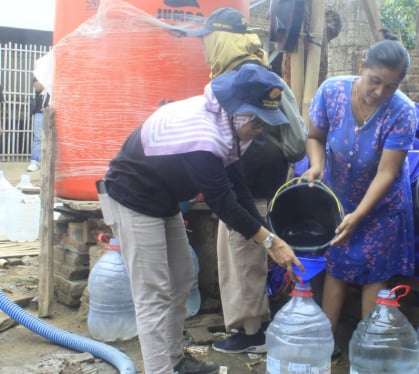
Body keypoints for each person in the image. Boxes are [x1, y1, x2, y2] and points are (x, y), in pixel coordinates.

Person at [102, 64, 304, 374]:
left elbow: (240, 190)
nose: (260, 130)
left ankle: (175, 360)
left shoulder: (231, 128)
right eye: (258, 123)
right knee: (152, 292)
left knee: (181, 278)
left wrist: (270, 236)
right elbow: (223, 202)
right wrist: (269, 242)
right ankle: (160, 370)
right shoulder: (206, 134)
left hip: (163, 197)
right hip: (133, 196)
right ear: (240, 113)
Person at [179, 7, 307, 353]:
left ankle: (253, 333)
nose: (205, 49)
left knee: (244, 259)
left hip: (253, 185)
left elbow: (291, 142)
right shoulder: (255, 72)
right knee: (238, 260)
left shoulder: (247, 78)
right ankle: (247, 327)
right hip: (249, 184)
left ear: (221, 41)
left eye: (209, 40)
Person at [299, 39, 417, 356]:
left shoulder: (402, 112)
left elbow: (387, 172)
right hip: (340, 199)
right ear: (362, 65)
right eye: (374, 80)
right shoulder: (332, 91)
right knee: (337, 268)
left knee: (374, 278)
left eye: (389, 87)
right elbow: (314, 137)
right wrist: (318, 165)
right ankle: (325, 346)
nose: (378, 92)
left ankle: (366, 353)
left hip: (381, 206)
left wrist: (361, 214)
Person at [27, 77, 49, 172]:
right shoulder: (42, 73)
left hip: (53, 111)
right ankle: (35, 161)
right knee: (38, 138)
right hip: (40, 112)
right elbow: (38, 87)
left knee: (54, 139)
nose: (35, 83)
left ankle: (47, 162)